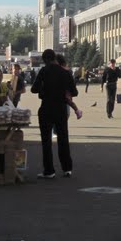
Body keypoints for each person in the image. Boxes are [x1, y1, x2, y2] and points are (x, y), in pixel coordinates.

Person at [31, 48, 77, 178]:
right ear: (55, 58)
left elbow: (34, 89)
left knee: (46, 141)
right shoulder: (65, 73)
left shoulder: (44, 71)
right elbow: (74, 92)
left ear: (45, 60)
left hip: (46, 108)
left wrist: (44, 90)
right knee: (63, 138)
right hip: (61, 109)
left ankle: (49, 171)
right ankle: (67, 168)